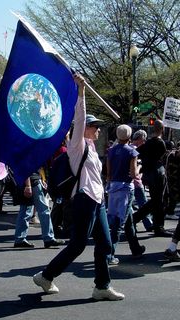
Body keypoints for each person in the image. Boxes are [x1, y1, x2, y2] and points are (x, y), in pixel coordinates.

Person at [33, 73, 124, 301]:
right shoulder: (77, 146)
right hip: (83, 200)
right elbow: (80, 117)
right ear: (83, 129)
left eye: (97, 127)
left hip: (97, 200)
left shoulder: (92, 148)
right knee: (78, 245)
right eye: (94, 126)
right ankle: (46, 276)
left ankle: (102, 286)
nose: (98, 129)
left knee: (105, 244)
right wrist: (81, 91)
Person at [107, 125, 145, 265]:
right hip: (126, 188)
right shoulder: (132, 152)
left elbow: (109, 172)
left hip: (113, 187)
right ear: (129, 136)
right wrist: (140, 167)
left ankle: (135, 249)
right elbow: (134, 174)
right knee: (120, 222)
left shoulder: (111, 151)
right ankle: (110, 253)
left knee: (127, 220)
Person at [133, 120, 170, 236]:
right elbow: (162, 157)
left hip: (149, 174)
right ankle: (158, 226)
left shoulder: (147, 143)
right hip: (158, 173)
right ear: (162, 129)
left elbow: (136, 153)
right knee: (160, 201)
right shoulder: (161, 143)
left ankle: (137, 219)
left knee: (156, 201)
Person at [14, 170, 65, 248]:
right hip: (32, 182)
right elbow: (25, 167)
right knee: (43, 211)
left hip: (29, 182)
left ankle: (20, 239)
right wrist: (28, 185)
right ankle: (48, 238)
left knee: (26, 211)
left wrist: (41, 179)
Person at [130, 130, 153, 231]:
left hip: (128, 182)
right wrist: (140, 166)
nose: (144, 142)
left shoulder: (128, 147)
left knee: (129, 205)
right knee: (143, 203)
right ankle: (148, 223)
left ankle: (131, 224)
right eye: (144, 139)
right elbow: (136, 167)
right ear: (140, 139)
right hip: (136, 181)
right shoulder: (136, 150)